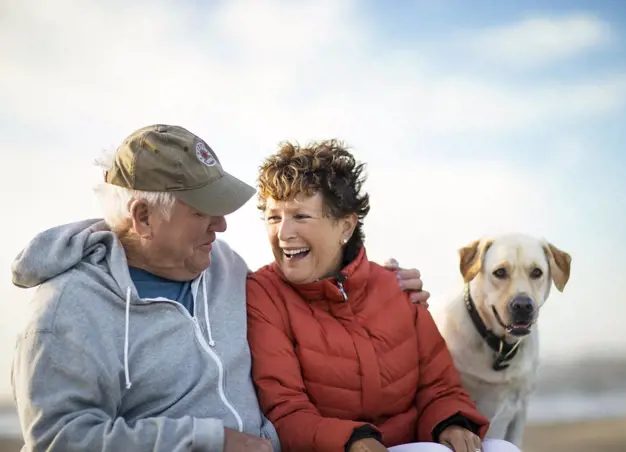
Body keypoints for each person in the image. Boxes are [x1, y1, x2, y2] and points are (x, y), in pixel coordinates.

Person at [10, 125, 430, 452]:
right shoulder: (65, 311)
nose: (222, 224)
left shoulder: (223, 265)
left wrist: (376, 283)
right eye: (203, 211)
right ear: (143, 217)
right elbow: (58, 440)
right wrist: (208, 442)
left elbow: (303, 289)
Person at [246, 140, 523, 452]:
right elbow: (285, 409)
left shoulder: (397, 287)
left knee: (502, 449)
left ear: (345, 225)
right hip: (335, 448)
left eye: (300, 216)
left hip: (411, 442)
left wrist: (452, 422)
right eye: (273, 217)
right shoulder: (264, 294)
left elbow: (440, 386)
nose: (283, 233)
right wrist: (352, 442)